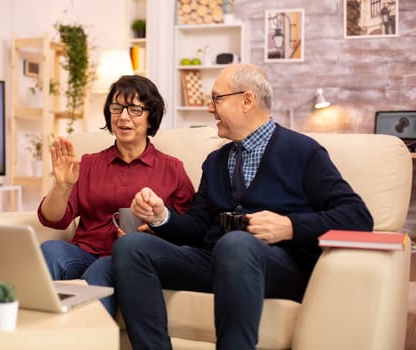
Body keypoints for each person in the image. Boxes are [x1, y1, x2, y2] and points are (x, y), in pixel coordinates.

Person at [113, 63, 373, 349]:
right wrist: (161, 216)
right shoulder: (215, 161)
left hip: (276, 266)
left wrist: (290, 226)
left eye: (217, 99)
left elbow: (357, 216)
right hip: (213, 260)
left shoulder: (302, 151)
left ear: (246, 100)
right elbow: (197, 226)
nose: (210, 109)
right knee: (131, 246)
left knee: (236, 244)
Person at [37, 75, 195, 317]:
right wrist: (61, 185)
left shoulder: (172, 169)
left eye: (134, 109)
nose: (123, 117)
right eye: (117, 108)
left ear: (150, 116)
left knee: (100, 271)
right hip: (85, 251)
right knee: (49, 251)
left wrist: (153, 232)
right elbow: (53, 219)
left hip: (132, 257)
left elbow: (188, 231)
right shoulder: (88, 164)